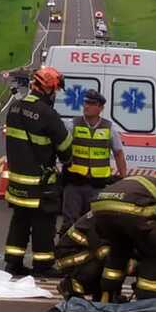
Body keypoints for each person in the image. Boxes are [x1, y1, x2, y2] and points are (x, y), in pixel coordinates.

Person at [2, 67, 72, 277]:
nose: (55, 95)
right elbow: (66, 149)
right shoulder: (47, 114)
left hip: (17, 182)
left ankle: (13, 263)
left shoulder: (14, 109)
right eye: (55, 91)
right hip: (40, 183)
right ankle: (43, 266)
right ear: (48, 89)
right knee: (44, 224)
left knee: (19, 221)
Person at [90, 170, 156, 302]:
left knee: (119, 250)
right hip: (131, 211)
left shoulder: (146, 183)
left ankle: (107, 295)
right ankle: (146, 298)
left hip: (99, 207)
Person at [59, 89, 127, 235]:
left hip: (97, 186)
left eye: (91, 103)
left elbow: (119, 154)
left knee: (94, 224)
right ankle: (65, 252)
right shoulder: (72, 125)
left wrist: (123, 179)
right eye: (85, 102)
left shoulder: (110, 129)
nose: (86, 106)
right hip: (74, 184)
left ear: (100, 108)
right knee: (69, 223)